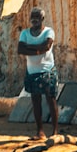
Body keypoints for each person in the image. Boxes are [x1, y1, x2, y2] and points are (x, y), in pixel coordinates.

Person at [17, 7, 59, 140]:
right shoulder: (25, 33)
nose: (34, 20)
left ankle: (55, 131)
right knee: (36, 101)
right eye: (32, 17)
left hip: (47, 71)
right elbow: (20, 49)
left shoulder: (48, 31)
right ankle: (40, 131)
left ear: (42, 19)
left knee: (51, 100)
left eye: (37, 17)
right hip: (32, 71)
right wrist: (37, 50)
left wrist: (29, 47)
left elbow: (46, 47)